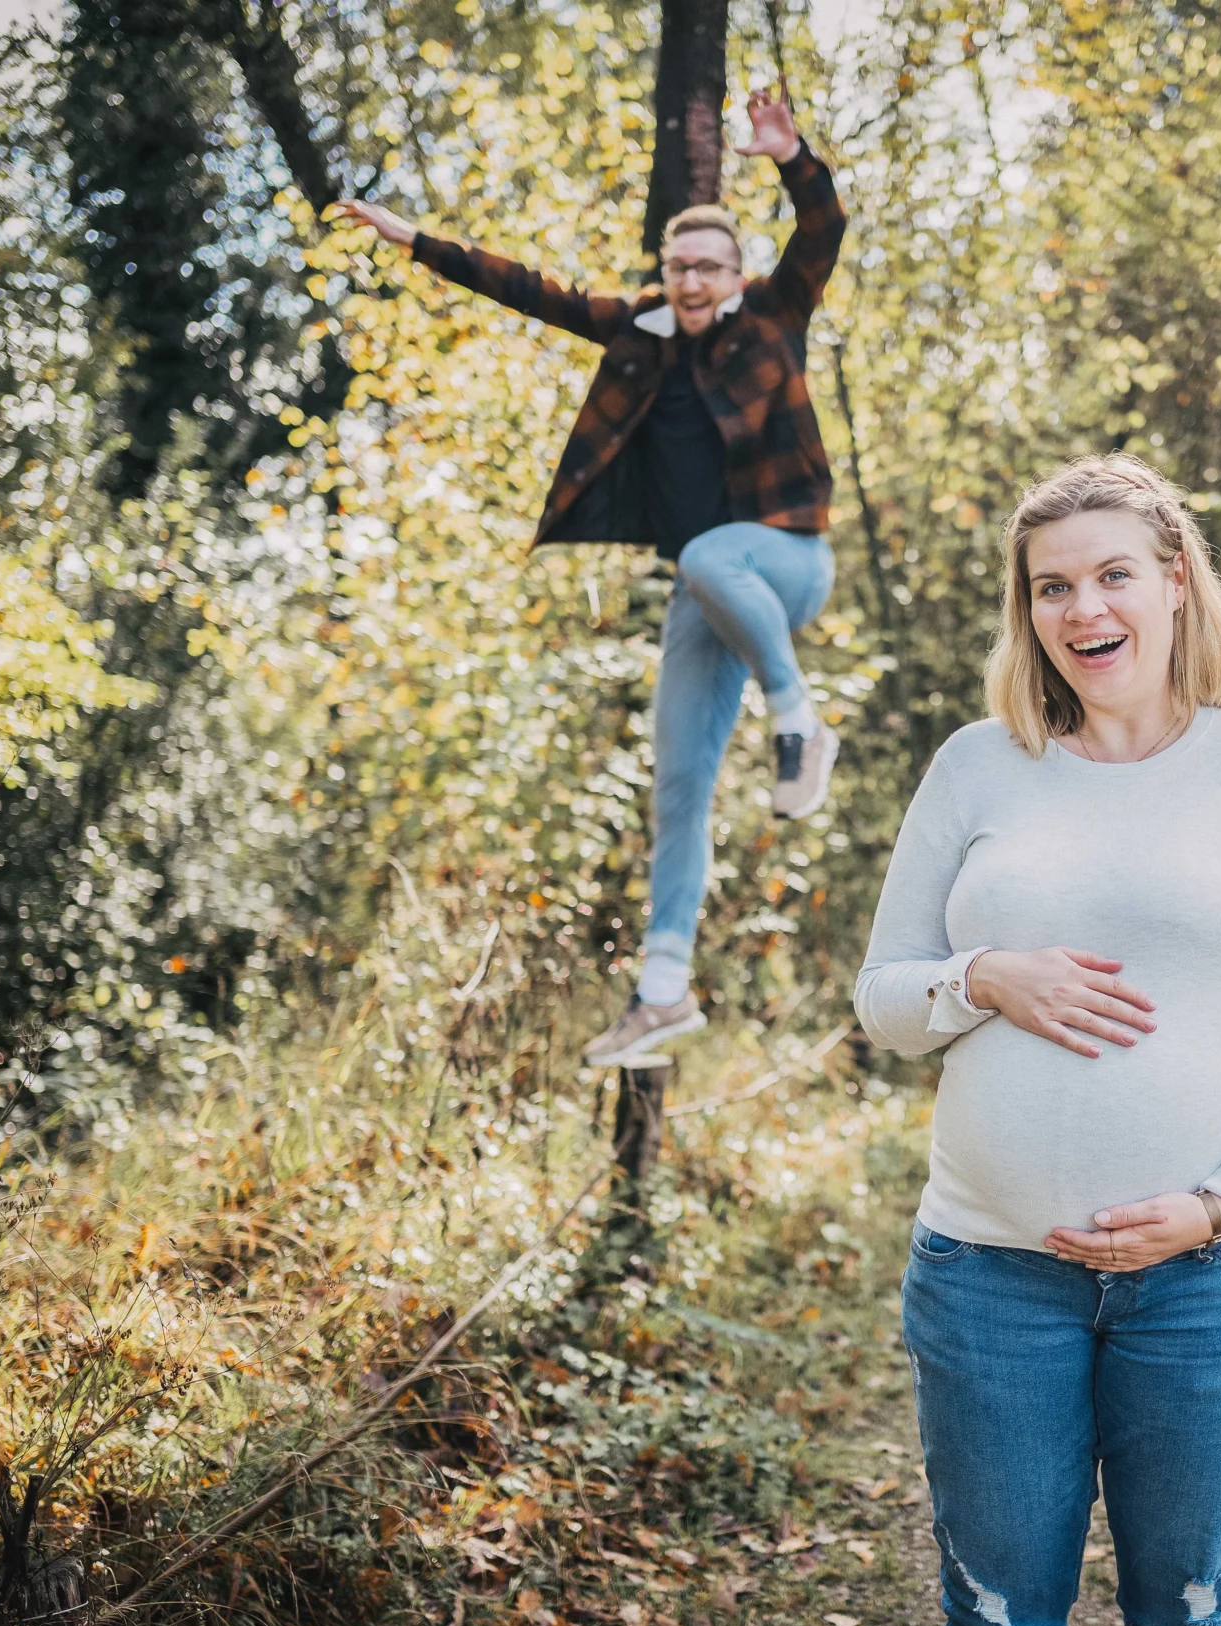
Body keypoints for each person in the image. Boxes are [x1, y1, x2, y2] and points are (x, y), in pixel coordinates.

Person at [852, 456, 1221, 1626]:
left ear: (1177, 582)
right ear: (1026, 613)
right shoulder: (979, 765)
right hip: (990, 1276)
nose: (1083, 612)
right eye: (1051, 589)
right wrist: (981, 975)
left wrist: (1220, 1204)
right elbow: (882, 1000)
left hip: (1217, 1283)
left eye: (1112, 576)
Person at [332, 88, 843, 1067]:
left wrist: (790, 159)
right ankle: (662, 990)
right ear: (665, 273)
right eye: (677, 265)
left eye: (708, 266)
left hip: (784, 565)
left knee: (704, 552)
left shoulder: (778, 313)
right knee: (678, 783)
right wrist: (411, 241)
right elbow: (530, 289)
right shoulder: (638, 333)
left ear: (737, 275)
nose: (692, 280)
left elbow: (822, 228)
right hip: (708, 597)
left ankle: (796, 717)